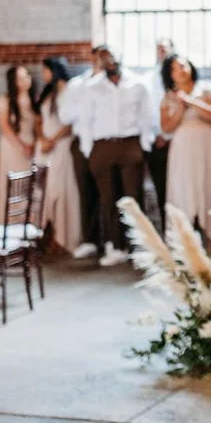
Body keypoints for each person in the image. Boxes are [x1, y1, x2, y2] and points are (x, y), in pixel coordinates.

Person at [82, 48, 152, 266]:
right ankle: (116, 245)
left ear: (121, 56)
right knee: (108, 199)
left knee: (133, 198)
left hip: (129, 143)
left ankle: (139, 246)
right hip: (102, 145)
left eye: (113, 56)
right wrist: (89, 150)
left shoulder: (138, 84)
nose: (110, 61)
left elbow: (146, 117)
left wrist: (144, 146)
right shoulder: (91, 88)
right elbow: (85, 121)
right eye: (105, 58)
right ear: (100, 62)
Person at [159, 53, 211, 243]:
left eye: (182, 65)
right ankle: (184, 240)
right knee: (184, 188)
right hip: (183, 148)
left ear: (190, 67)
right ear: (169, 74)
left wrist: (191, 101)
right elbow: (166, 128)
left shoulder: (205, 88)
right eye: (174, 69)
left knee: (210, 185)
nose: (179, 71)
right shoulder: (168, 96)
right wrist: (180, 106)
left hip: (208, 144)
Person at [59, 47, 105, 260]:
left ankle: (115, 241)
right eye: (97, 58)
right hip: (81, 142)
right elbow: (66, 115)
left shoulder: (115, 84)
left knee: (109, 192)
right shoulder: (78, 85)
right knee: (86, 191)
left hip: (104, 141)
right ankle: (90, 239)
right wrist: (85, 103)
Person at [34, 57, 82, 254]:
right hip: (44, 145)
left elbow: (71, 123)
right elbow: (38, 119)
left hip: (61, 145)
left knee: (59, 190)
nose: (43, 75)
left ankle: (64, 237)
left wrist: (52, 140)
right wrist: (43, 139)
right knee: (42, 192)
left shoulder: (69, 90)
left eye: (45, 71)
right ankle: (46, 235)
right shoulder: (47, 92)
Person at [0, 65, 37, 222]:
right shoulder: (5, 100)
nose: (26, 80)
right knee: (14, 183)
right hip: (12, 146)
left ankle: (28, 220)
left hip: (31, 144)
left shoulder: (34, 99)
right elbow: (4, 126)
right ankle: (10, 221)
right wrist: (22, 145)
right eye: (21, 78)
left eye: (27, 76)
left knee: (29, 185)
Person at [147, 38, 174, 220]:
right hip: (156, 141)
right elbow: (147, 110)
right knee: (161, 188)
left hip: (177, 140)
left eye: (165, 49)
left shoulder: (180, 76)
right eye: (159, 49)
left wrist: (168, 134)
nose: (161, 52)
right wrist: (158, 134)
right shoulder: (148, 80)